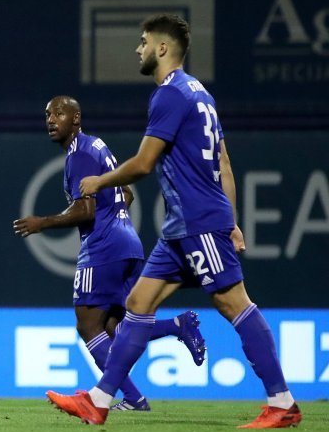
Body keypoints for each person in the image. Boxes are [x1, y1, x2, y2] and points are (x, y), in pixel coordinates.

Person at [47, 14, 301, 428]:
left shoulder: (169, 95)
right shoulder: (202, 95)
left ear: (162, 49)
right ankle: (100, 400)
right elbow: (224, 161)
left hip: (198, 221)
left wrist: (100, 181)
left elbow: (145, 163)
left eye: (144, 41)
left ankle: (282, 402)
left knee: (233, 303)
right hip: (182, 227)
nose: (138, 49)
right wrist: (232, 220)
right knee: (138, 303)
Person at [14, 95, 205, 411]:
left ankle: (132, 398)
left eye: (59, 114)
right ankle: (178, 327)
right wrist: (114, 220)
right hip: (127, 242)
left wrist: (43, 222)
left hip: (103, 247)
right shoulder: (96, 147)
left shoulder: (79, 155)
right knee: (117, 327)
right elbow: (125, 193)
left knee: (88, 325)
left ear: (76, 118)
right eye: (47, 114)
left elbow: (86, 211)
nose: (51, 120)